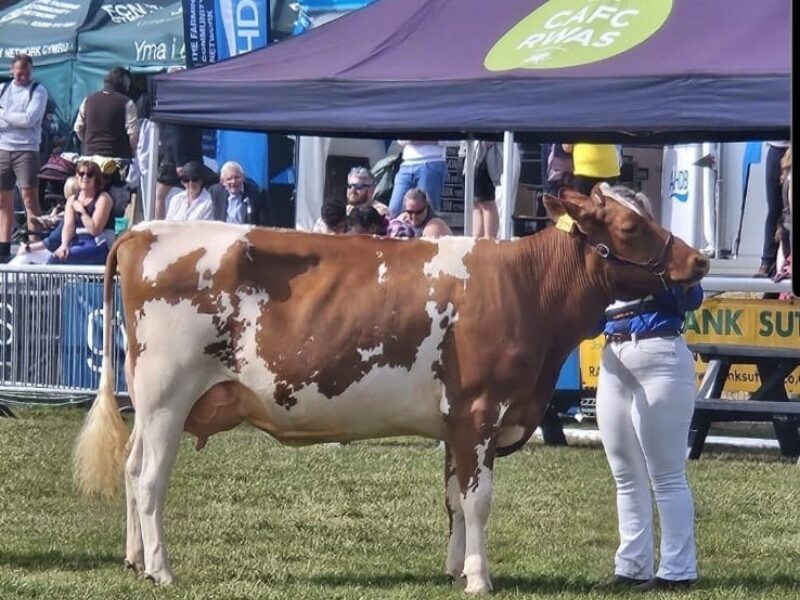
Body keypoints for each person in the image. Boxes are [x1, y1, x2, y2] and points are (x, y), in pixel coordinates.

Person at [593, 185, 701, 592]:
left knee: (666, 474)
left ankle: (677, 569)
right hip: (614, 354)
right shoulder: (607, 260)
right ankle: (632, 564)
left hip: (659, 350)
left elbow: (691, 296)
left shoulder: (661, 256)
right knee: (625, 473)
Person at [0, 52, 48, 262]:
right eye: (19, 71)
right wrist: (12, 120)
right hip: (3, 148)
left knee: (29, 198)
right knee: (3, 200)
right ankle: (3, 246)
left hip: (26, 150)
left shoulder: (38, 91)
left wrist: (4, 116)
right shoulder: (3, 90)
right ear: (12, 70)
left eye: (26, 72)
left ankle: (34, 244)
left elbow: (29, 119)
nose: (23, 75)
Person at [48, 161, 114, 265]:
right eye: (81, 174)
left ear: (96, 179)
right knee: (55, 256)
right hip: (77, 242)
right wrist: (64, 245)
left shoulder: (103, 198)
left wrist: (82, 211)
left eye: (90, 175)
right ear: (77, 176)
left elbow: (95, 230)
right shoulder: (72, 199)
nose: (85, 177)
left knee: (57, 260)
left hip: (98, 244)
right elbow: (68, 226)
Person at [74, 67, 138, 160]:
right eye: (128, 84)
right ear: (123, 83)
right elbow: (133, 134)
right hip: (116, 158)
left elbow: (78, 128)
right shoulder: (127, 102)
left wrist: (89, 143)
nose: (128, 88)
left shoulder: (88, 99)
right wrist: (132, 152)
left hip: (90, 157)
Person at [11, 175, 77, 265]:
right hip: (62, 248)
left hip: (61, 251)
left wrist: (28, 247)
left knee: (24, 255)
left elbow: (53, 241)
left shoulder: (72, 214)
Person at [311, 167, 388, 233]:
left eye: (358, 187)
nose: (352, 190)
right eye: (350, 186)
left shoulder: (380, 211)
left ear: (371, 190)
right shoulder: (343, 210)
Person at [755, 141, 791, 277]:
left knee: (787, 210)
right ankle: (767, 260)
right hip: (778, 148)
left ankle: (782, 260)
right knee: (774, 209)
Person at [388, 140, 447, 216]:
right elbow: (400, 139)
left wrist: (424, 140)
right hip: (406, 163)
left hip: (432, 161)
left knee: (426, 211)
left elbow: (453, 139)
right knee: (394, 210)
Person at [209, 161, 268, 225]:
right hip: (223, 232)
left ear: (243, 177)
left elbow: (263, 223)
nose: (234, 181)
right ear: (222, 182)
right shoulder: (214, 192)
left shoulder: (255, 193)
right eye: (229, 179)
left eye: (237, 177)